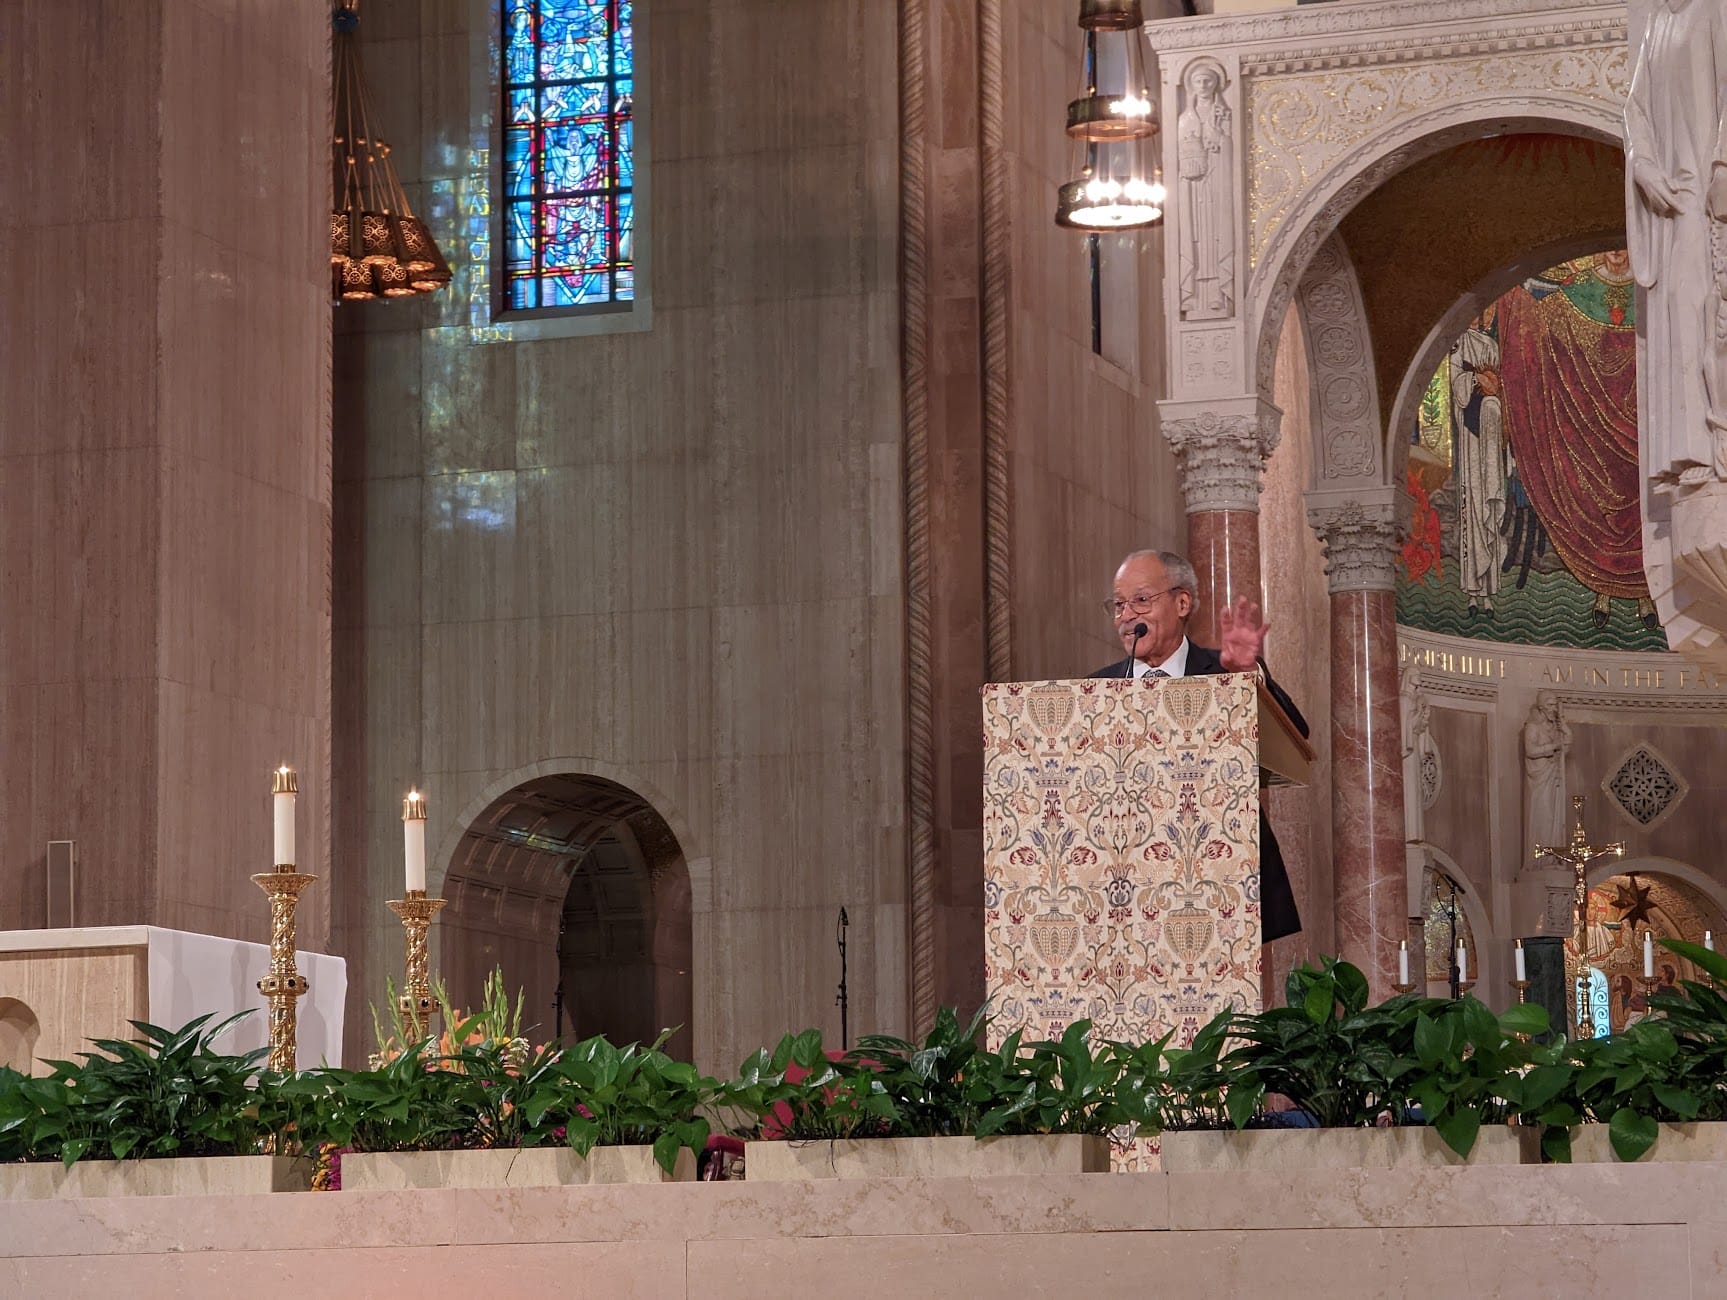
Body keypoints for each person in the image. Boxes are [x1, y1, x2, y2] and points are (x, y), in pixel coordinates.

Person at [1089, 550, 1307, 941]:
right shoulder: (1094, 691)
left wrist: (1247, 677)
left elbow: (1296, 734)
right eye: (1118, 605)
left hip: (1225, 875)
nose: (1126, 616)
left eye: (1141, 600)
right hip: (1128, 884)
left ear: (1182, 602)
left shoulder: (1225, 670)